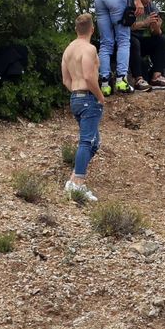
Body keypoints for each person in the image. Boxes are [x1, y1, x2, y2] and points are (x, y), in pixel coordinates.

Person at [60, 13, 103, 201]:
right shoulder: (89, 49)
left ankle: (73, 180)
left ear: (77, 29)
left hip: (75, 98)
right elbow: (88, 76)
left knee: (94, 143)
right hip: (88, 99)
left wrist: (76, 93)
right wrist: (100, 97)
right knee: (87, 142)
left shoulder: (68, 50)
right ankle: (78, 183)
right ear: (92, 29)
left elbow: (65, 80)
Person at [129, 0, 165, 89]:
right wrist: (145, 22)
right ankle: (138, 79)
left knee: (162, 40)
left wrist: (157, 27)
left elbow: (156, 34)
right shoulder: (129, 3)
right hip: (127, 40)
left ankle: (156, 76)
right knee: (134, 41)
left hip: (140, 40)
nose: (149, 0)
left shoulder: (151, 6)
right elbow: (126, 26)